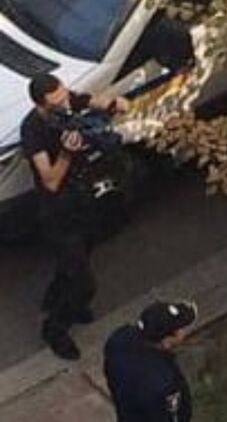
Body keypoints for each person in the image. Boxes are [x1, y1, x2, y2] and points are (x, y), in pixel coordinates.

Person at [21, 73, 129, 360]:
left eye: (65, 96)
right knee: (84, 283)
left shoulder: (69, 103)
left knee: (81, 254)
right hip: (59, 211)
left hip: (84, 199)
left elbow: (97, 101)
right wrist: (67, 153)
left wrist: (113, 105)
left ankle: (59, 293)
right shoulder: (33, 130)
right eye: (57, 103)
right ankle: (55, 328)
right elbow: (50, 181)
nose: (65, 104)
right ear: (41, 105)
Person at [104, 300, 197, 422]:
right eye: (181, 329)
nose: (184, 331)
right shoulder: (165, 382)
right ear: (166, 341)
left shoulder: (119, 340)